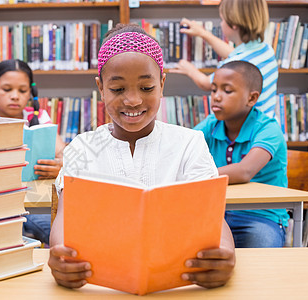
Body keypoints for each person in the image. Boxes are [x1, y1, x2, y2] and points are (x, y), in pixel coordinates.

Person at [48, 23, 235, 290]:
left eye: (146, 88)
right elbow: (65, 219)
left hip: (179, 287)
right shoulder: (82, 148)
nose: (133, 100)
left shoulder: (189, 143)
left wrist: (226, 253)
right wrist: (60, 255)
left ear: (161, 84)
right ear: (101, 88)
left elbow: (213, 220)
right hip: (99, 288)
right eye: (118, 89)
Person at [194, 61, 289, 248]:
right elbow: (183, 148)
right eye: (213, 90)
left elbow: (245, 171)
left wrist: (196, 176)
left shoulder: (268, 128)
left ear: (251, 99)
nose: (216, 97)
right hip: (218, 215)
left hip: (261, 217)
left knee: (260, 263)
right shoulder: (211, 124)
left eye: (227, 91)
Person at [0, 59, 66, 245]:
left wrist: (60, 165)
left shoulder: (39, 117)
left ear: (31, 93)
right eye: (7, 89)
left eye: (22, 91)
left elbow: (64, 153)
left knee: (57, 234)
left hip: (32, 199)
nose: (15, 96)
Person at [170, 0, 278, 119]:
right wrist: (203, 33)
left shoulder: (238, 65)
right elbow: (233, 54)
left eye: (222, 19)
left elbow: (207, 84)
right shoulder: (266, 49)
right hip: (267, 121)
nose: (221, 24)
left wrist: (189, 69)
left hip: (248, 129)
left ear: (234, 24)